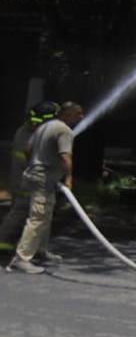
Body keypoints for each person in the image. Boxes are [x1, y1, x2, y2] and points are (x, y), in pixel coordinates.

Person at [7, 101, 84, 275]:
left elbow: (27, 149)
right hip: (43, 179)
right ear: (67, 114)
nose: (82, 117)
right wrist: (69, 180)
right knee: (38, 218)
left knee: (45, 216)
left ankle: (40, 250)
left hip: (34, 177)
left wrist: (33, 165)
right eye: (78, 114)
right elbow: (65, 157)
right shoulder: (64, 130)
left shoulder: (44, 126)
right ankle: (21, 259)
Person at [1, 101, 59, 252]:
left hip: (27, 178)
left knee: (35, 214)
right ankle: (5, 242)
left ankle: (37, 248)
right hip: (26, 179)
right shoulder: (29, 133)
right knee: (21, 211)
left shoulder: (29, 129)